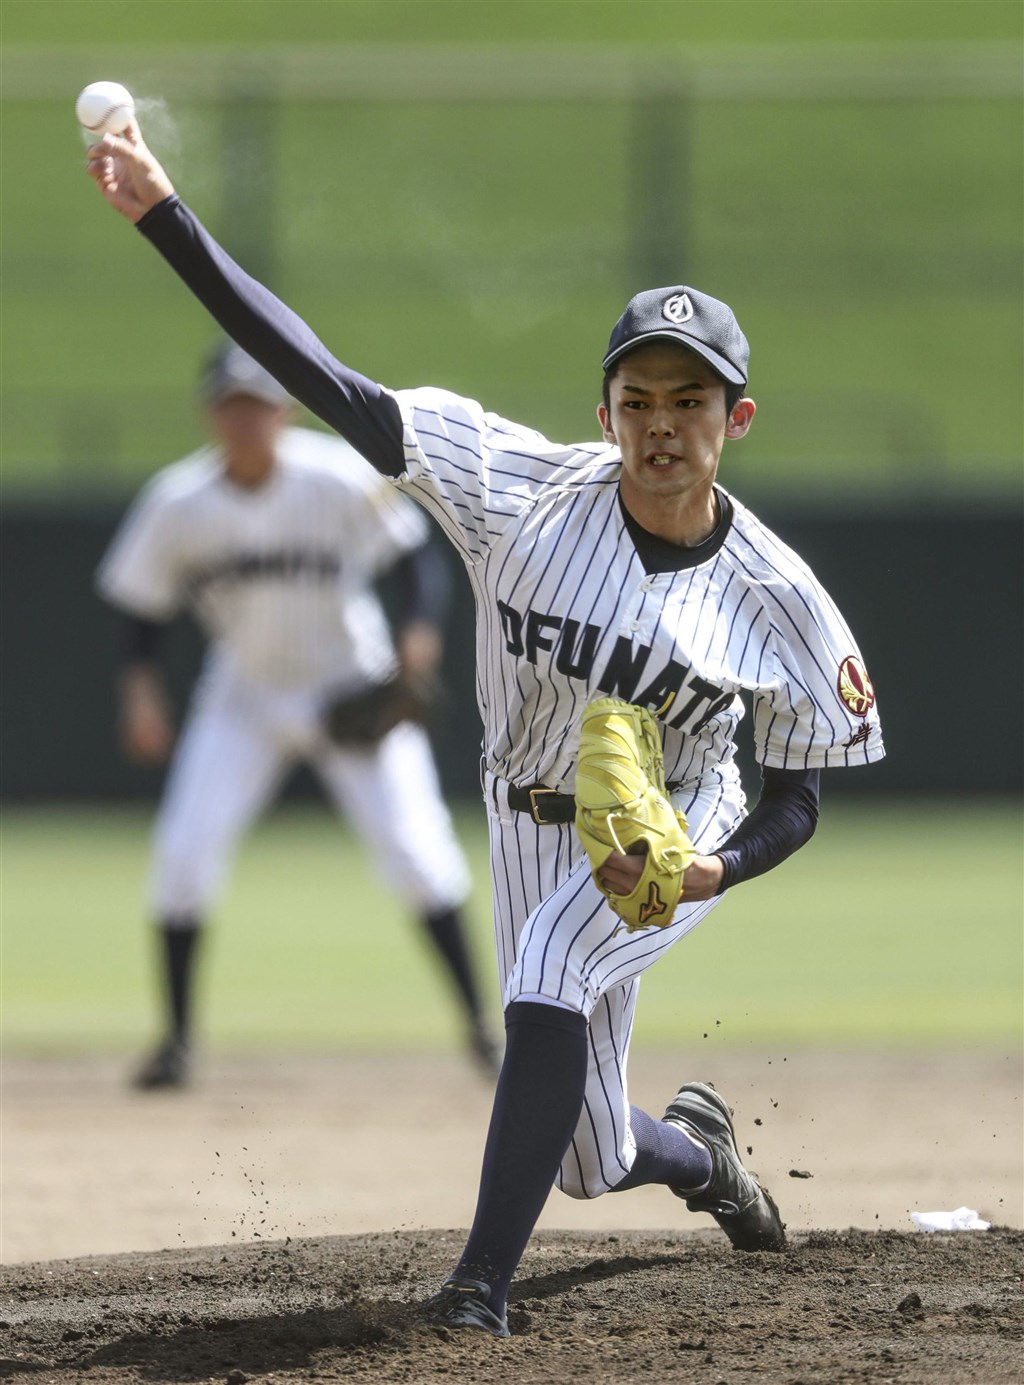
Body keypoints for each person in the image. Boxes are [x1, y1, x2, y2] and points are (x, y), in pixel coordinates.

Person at [86, 123, 884, 1333]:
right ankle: (706, 1157)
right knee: (589, 1149)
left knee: (551, 977)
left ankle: (476, 1292)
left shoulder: (778, 596)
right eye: (638, 397)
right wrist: (165, 217)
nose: (662, 422)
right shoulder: (512, 487)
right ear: (605, 408)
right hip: (523, 815)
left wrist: (711, 865)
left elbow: (799, 797)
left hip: (677, 828)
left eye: (691, 399)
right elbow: (322, 379)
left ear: (738, 414)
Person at [97, 342, 501, 1089]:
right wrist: (141, 688)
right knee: (183, 858)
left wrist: (417, 636)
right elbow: (142, 608)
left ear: (283, 412)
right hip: (243, 698)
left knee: (418, 854)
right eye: (233, 406)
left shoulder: (336, 474)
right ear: (212, 415)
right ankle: (178, 1042)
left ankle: (484, 1031)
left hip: (350, 686)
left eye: (259, 404)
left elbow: (417, 559)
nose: (247, 419)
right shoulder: (178, 501)